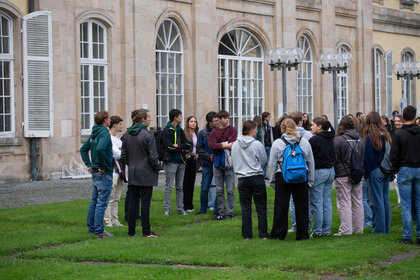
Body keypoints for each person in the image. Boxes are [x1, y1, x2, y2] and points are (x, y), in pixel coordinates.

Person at [268, 119, 314, 240]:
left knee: (281, 206)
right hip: (301, 176)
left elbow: (272, 164)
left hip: (282, 175)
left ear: (282, 128)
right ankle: (302, 233)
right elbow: (310, 162)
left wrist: (272, 180)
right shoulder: (304, 142)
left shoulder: (278, 143)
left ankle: (278, 233)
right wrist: (310, 180)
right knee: (302, 206)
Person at [121, 109, 160, 238]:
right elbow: (153, 157)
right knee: (145, 202)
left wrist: (131, 164)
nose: (151, 119)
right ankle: (146, 231)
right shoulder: (148, 135)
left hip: (132, 171)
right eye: (149, 117)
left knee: (133, 202)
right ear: (142, 120)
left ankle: (131, 231)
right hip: (146, 171)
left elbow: (124, 156)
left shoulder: (127, 134)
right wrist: (156, 167)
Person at [80, 110, 114, 238]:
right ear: (105, 120)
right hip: (103, 173)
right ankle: (99, 231)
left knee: (94, 201)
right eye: (109, 118)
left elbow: (84, 149)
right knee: (102, 203)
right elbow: (100, 149)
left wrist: (89, 164)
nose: (110, 120)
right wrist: (102, 166)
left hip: (95, 172)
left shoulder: (94, 133)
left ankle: (92, 228)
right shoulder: (104, 133)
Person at [232, 120, 268, 239]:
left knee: (246, 208)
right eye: (256, 129)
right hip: (256, 176)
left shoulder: (235, 144)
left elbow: (234, 160)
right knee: (261, 207)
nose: (257, 131)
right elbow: (263, 160)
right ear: (252, 129)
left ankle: (247, 235)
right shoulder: (257, 144)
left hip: (242, 178)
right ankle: (263, 234)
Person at [390, 106, 420, 244]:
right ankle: (419, 235)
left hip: (405, 168)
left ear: (403, 116)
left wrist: (396, 168)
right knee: (418, 203)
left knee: (406, 204)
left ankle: (407, 236)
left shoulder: (399, 134)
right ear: (415, 117)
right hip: (417, 168)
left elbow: (393, 155)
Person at [333, 116, 364, 236]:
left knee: (344, 202)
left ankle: (346, 230)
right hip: (357, 173)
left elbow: (335, 158)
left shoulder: (339, 140)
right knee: (357, 201)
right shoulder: (360, 140)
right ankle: (358, 229)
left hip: (343, 174)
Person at [364, 111, 392, 234]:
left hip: (376, 170)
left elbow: (368, 158)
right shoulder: (385, 133)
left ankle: (379, 229)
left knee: (377, 200)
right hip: (386, 169)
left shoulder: (371, 135)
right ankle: (386, 227)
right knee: (385, 199)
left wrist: (366, 174)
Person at [308, 117, 335, 237]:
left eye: (313, 125)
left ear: (320, 127)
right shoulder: (330, 137)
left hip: (320, 171)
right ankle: (326, 230)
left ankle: (318, 231)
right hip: (330, 171)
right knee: (326, 200)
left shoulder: (314, 140)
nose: (311, 127)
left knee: (317, 202)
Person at [162, 109, 191, 216]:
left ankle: (180, 209)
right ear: (175, 118)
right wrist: (181, 149)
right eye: (180, 116)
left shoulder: (179, 130)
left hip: (181, 161)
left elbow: (188, 144)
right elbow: (168, 147)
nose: (181, 118)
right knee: (169, 186)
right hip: (171, 161)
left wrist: (178, 146)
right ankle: (167, 210)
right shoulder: (166, 130)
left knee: (180, 186)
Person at [209, 110, 237, 220]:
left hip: (229, 162)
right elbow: (212, 145)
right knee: (219, 190)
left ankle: (230, 213)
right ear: (219, 119)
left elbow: (232, 143)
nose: (227, 120)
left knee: (230, 190)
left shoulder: (232, 130)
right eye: (225, 118)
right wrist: (225, 145)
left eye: (228, 118)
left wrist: (220, 145)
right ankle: (221, 212)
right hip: (217, 162)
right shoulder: (213, 132)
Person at [104, 115, 125, 227]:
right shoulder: (109, 138)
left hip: (120, 171)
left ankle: (115, 220)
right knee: (110, 198)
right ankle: (108, 221)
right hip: (112, 171)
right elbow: (117, 154)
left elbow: (123, 152)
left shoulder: (117, 139)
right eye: (120, 124)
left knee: (116, 198)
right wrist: (123, 152)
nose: (121, 126)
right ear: (115, 125)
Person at [196, 112, 219, 215]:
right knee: (204, 188)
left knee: (219, 189)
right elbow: (199, 149)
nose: (218, 122)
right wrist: (209, 156)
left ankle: (217, 210)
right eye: (216, 121)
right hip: (207, 165)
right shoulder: (203, 133)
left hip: (218, 164)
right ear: (210, 122)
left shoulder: (220, 132)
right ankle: (203, 209)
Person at [183, 116, 199, 212]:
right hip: (187, 159)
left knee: (192, 182)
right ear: (188, 123)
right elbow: (184, 146)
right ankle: (185, 204)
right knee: (186, 182)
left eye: (195, 122)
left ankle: (190, 205)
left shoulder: (196, 134)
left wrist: (197, 154)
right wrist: (188, 153)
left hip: (194, 159)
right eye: (191, 121)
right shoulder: (185, 133)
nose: (193, 123)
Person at [262, 112, 274, 179]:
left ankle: (265, 174)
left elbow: (271, 135)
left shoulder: (269, 125)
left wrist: (272, 143)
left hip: (269, 145)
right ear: (265, 117)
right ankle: (262, 174)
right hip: (264, 145)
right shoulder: (262, 125)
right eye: (268, 116)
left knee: (267, 161)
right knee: (263, 161)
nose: (270, 118)